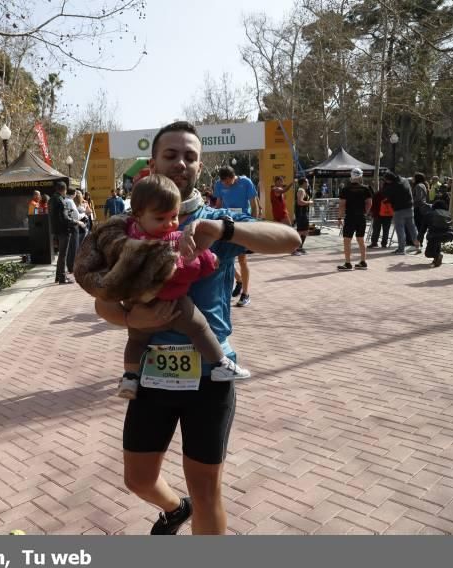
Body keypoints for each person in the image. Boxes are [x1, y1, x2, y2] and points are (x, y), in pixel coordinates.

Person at [77, 121, 300, 535]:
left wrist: (225, 230)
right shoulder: (130, 227)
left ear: (200, 166)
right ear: (153, 162)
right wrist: (130, 319)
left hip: (210, 377)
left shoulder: (215, 220)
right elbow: (101, 300)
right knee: (138, 478)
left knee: (206, 491)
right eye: (171, 155)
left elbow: (290, 239)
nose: (181, 163)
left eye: (190, 156)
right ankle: (174, 508)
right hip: (151, 374)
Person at [89, 174, 251, 399]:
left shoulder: (124, 238)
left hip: (137, 307)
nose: (169, 224)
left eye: (174, 216)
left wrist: (130, 317)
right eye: (160, 219)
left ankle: (130, 376)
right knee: (200, 328)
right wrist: (208, 262)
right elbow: (188, 268)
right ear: (138, 216)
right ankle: (219, 364)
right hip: (174, 304)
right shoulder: (173, 238)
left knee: (135, 339)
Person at [213, 166, 259, 307]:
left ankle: (245, 294)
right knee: (222, 258)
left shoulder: (246, 182)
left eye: (229, 182)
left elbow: (254, 204)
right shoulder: (218, 185)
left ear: (234, 176)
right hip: (227, 224)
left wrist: (253, 225)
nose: (226, 184)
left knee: (242, 259)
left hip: (243, 224)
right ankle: (238, 280)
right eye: (224, 182)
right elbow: (219, 204)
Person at [336, 168, 372, 271]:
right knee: (360, 239)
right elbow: (369, 203)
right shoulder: (366, 189)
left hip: (350, 217)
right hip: (361, 217)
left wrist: (339, 218)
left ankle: (348, 263)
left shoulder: (345, 189)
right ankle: (363, 261)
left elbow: (342, 205)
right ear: (361, 176)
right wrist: (365, 212)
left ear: (351, 176)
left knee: (347, 240)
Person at [382, 171, 421, 255]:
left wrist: (387, 199)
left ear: (389, 180)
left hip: (399, 210)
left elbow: (387, 195)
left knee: (400, 229)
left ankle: (401, 249)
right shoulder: (404, 180)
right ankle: (418, 246)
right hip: (410, 208)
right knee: (412, 228)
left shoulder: (393, 186)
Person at [48, 181, 77, 284]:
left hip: (56, 230)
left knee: (61, 255)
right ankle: (62, 278)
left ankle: (58, 276)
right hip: (64, 230)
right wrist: (76, 222)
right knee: (63, 255)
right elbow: (65, 218)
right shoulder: (60, 200)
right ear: (64, 190)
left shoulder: (51, 199)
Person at [423, 200, 453, 267]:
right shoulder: (448, 213)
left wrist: (418, 239)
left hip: (434, 236)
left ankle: (438, 256)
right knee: (438, 241)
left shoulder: (429, 214)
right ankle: (436, 260)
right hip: (449, 235)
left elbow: (423, 229)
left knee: (428, 253)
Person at [292, 177, 313, 256]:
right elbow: (299, 202)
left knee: (305, 231)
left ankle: (299, 247)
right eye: (307, 182)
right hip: (301, 214)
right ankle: (294, 249)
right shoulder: (301, 190)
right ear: (303, 183)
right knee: (300, 231)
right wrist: (309, 202)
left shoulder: (303, 190)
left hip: (303, 214)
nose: (308, 184)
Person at [369, 184, 394, 248]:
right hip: (388, 214)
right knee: (386, 230)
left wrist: (371, 212)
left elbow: (373, 204)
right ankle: (384, 243)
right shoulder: (391, 195)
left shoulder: (377, 194)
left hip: (377, 214)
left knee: (376, 229)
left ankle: (374, 242)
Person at [412, 172, 429, 244]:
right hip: (422, 207)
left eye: (414, 177)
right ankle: (420, 241)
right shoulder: (423, 185)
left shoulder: (418, 186)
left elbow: (418, 197)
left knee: (418, 225)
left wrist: (411, 201)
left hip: (418, 207)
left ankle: (419, 241)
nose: (413, 179)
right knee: (420, 225)